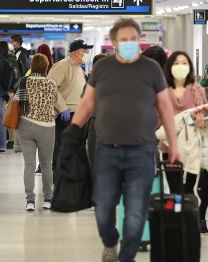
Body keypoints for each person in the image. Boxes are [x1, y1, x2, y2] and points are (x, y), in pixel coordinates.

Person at [65, 18, 178, 262]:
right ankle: (110, 240)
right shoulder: (103, 69)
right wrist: (72, 132)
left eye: (133, 39)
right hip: (107, 151)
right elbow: (87, 104)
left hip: (142, 152)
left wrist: (174, 145)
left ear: (139, 41)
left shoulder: (151, 70)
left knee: (136, 213)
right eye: (124, 40)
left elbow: (166, 108)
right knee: (104, 210)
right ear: (114, 42)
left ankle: (126, 258)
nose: (129, 44)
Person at [16, 54, 65, 211]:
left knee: (29, 165)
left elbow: (16, 102)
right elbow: (59, 104)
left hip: (26, 127)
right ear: (46, 67)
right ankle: (48, 199)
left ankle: (30, 201)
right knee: (46, 165)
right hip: (47, 128)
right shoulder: (51, 83)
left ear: (31, 67)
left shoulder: (24, 82)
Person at [162, 51, 207, 194]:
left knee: (188, 191)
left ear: (190, 67)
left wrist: (202, 124)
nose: (180, 66)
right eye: (176, 63)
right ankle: (176, 215)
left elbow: (205, 114)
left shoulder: (196, 90)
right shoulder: (163, 91)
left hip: (192, 149)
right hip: (170, 149)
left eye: (184, 63)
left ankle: (185, 216)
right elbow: (157, 121)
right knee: (175, 191)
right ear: (169, 67)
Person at [49, 39, 92, 170]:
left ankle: (70, 171)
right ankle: (58, 172)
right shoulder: (63, 65)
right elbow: (51, 87)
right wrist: (62, 108)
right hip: (66, 115)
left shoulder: (79, 68)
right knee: (63, 145)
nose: (87, 53)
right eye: (85, 51)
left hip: (78, 113)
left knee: (74, 146)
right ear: (78, 52)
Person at [0, 41, 20, 150]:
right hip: (9, 91)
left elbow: (14, 77)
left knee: (9, 116)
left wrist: (11, 91)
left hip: (9, 93)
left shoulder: (9, 60)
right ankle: (12, 140)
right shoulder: (10, 59)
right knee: (9, 115)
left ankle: (12, 140)